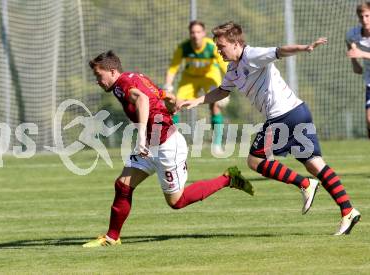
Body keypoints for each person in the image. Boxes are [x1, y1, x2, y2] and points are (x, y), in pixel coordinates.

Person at [179, 21, 361, 235]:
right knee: (315, 164)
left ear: (236, 43)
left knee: (255, 160)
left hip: (283, 116)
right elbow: (222, 91)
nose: (218, 50)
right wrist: (197, 100)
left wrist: (305, 47)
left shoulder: (252, 55)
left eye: (221, 46)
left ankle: (305, 184)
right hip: (298, 111)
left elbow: (280, 51)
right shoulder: (232, 69)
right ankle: (348, 210)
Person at [82, 51, 254, 247]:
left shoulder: (123, 83)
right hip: (150, 144)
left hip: (166, 146)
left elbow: (143, 100)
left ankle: (229, 178)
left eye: (98, 75)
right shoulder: (135, 78)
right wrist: (174, 103)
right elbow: (162, 94)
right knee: (123, 185)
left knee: (176, 202)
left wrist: (140, 138)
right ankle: (112, 237)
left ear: (112, 71)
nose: (97, 80)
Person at [164, 20, 229, 153]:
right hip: (190, 78)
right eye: (193, 32)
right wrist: (168, 85)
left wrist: (228, 86)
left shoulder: (212, 46)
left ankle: (216, 144)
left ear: (204, 33)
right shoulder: (183, 48)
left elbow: (224, 66)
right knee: (176, 103)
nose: (195, 35)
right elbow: (173, 68)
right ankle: (173, 143)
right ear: (190, 34)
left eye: (198, 32)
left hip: (210, 76)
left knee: (215, 104)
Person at [346, 2, 370, 139]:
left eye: (367, 16)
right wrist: (354, 62)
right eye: (362, 17)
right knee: (369, 120)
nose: (365, 20)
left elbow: (360, 52)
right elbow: (349, 42)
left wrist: (362, 54)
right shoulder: (353, 34)